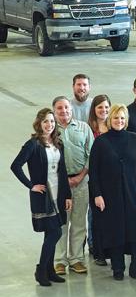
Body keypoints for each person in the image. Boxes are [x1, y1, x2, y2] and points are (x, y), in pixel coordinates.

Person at [89, 104, 136, 281]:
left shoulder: (134, 139)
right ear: (110, 119)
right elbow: (93, 172)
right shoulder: (101, 142)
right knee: (116, 232)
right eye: (116, 118)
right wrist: (97, 194)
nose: (119, 121)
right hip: (111, 197)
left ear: (126, 121)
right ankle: (118, 268)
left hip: (134, 195)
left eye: (122, 118)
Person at [10, 108, 72, 287]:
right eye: (46, 121)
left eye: (52, 121)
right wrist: (31, 186)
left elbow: (63, 171)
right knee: (55, 232)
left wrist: (67, 195)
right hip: (43, 195)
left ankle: (50, 271)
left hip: (58, 193)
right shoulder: (33, 144)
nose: (49, 125)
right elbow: (15, 166)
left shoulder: (58, 143)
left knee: (50, 233)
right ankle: (41, 269)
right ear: (39, 123)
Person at [51, 96, 94, 276]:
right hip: (59, 185)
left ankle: (76, 259)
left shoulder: (84, 128)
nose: (64, 111)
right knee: (61, 223)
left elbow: (92, 154)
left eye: (67, 107)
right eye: (59, 108)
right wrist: (63, 180)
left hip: (81, 181)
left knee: (78, 222)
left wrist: (81, 176)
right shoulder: (51, 131)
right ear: (54, 111)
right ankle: (60, 260)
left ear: (72, 109)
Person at [85, 93, 110, 264]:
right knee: (94, 213)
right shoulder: (88, 129)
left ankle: (109, 245)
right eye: (100, 107)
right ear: (94, 109)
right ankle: (94, 245)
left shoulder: (114, 126)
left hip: (111, 178)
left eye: (107, 107)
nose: (104, 110)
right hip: (93, 176)